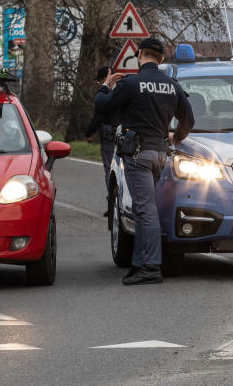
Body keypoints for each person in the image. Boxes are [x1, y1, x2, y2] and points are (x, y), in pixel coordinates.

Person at [94, 37, 194, 285]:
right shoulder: (173, 85)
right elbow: (188, 120)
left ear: (139, 56)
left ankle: (151, 266)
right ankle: (140, 264)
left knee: (145, 209)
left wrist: (105, 86)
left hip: (138, 155)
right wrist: (176, 137)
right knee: (143, 209)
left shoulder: (131, 83)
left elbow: (102, 107)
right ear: (160, 59)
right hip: (160, 153)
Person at [84, 66, 118, 197]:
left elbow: (99, 116)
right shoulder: (124, 90)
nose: (99, 83)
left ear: (106, 79)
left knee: (109, 168)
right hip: (125, 135)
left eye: (100, 80)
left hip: (109, 134)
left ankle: (112, 201)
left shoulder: (105, 94)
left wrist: (89, 132)